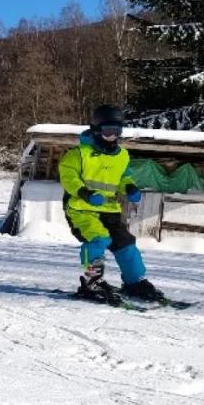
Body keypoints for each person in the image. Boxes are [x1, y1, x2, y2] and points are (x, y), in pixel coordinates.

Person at [57, 104, 165, 302]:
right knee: (98, 238)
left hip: (110, 210)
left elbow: (124, 177)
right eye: (108, 131)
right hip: (81, 209)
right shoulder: (78, 154)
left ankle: (135, 282)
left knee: (126, 243)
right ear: (97, 130)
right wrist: (84, 193)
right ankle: (92, 282)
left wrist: (130, 187)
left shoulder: (122, 155)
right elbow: (68, 176)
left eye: (117, 132)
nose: (112, 137)